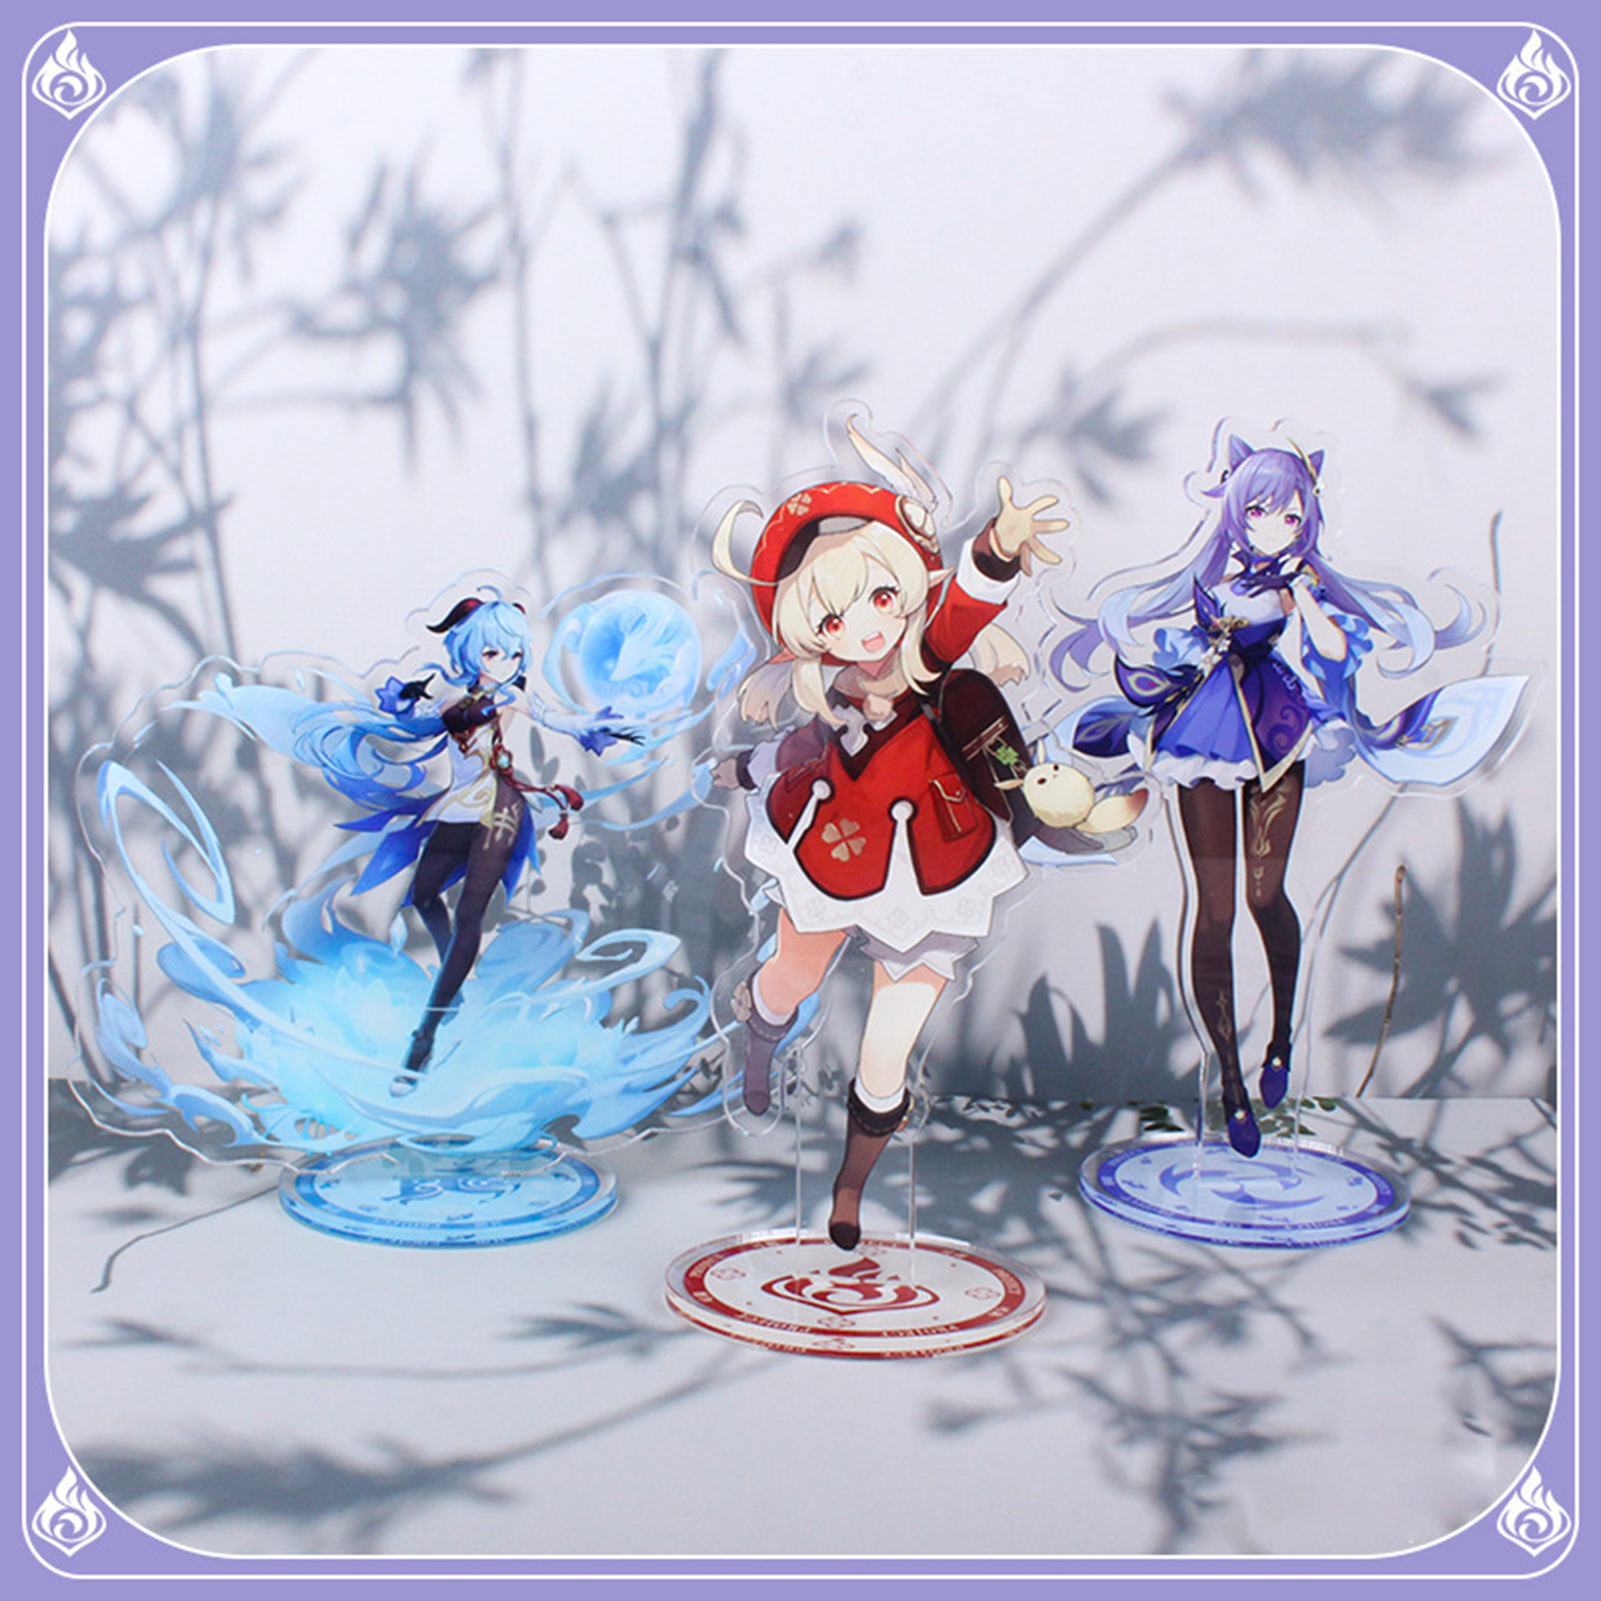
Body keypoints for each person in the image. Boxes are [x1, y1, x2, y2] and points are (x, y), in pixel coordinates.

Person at [1065, 429, 1527, 1155]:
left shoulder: (1298, 584)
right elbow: (1188, 637)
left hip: (1276, 729)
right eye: (1260, 511)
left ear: (1306, 517)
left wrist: (1306, 595)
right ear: (1235, 511)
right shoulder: (1215, 579)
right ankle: (1229, 1080)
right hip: (1205, 733)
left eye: (1289, 514)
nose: (1274, 526)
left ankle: (1280, 1037)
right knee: (1214, 908)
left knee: (1263, 894)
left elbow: (1335, 649)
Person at [712, 422, 1067, 1247]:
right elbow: (793, 753)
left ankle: (849, 1187)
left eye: (880, 597)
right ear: (809, 628)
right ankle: (760, 1036)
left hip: (938, 862)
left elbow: (959, 614)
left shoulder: (925, 663)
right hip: (834, 849)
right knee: (788, 980)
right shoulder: (827, 693)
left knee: (885, 1053)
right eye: (835, 615)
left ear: (907, 585)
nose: (867, 626)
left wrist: (997, 550)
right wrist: (739, 769)